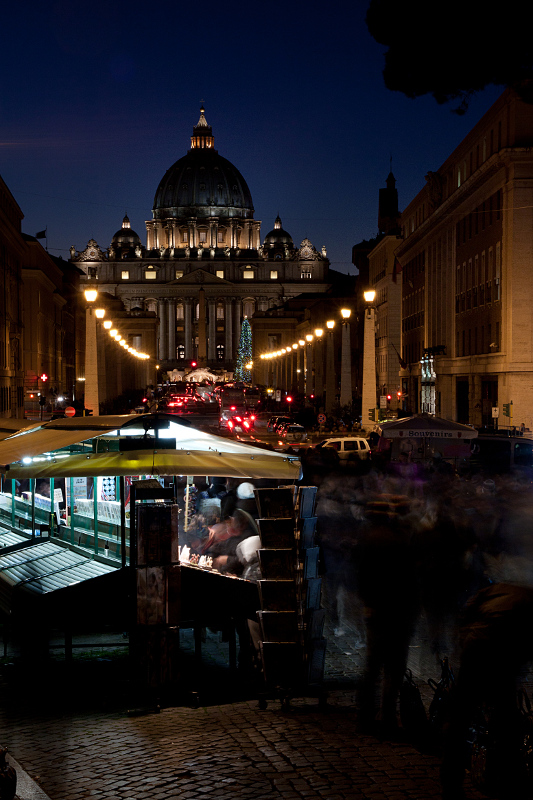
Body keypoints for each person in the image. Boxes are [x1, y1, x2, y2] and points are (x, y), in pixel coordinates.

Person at [440, 582, 533, 799]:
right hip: (498, 654)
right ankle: (508, 781)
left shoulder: (505, 588)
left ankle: (449, 784)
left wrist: (463, 638)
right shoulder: (529, 603)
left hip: (475, 649)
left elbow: (469, 608)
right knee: (506, 724)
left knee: (459, 720)